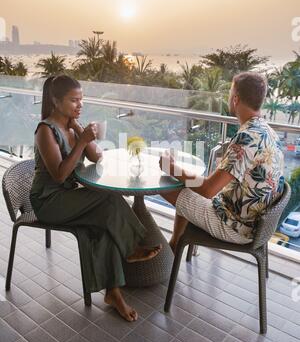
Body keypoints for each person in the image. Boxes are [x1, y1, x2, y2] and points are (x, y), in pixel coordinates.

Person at [30, 75, 161, 322]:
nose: (80, 105)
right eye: (74, 101)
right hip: (48, 201)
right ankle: (131, 246)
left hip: (70, 198)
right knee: (108, 201)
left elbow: (97, 157)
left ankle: (113, 293)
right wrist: (80, 142)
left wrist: (82, 133)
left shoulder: (72, 126)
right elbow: (59, 175)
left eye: (81, 100)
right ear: (56, 101)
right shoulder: (45, 130)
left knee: (103, 224)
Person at [159, 72, 285, 252]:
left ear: (235, 99)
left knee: (165, 182)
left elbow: (208, 190)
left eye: (229, 93)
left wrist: (170, 168)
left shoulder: (246, 137)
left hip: (236, 227)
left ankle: (164, 245)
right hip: (255, 223)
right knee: (186, 181)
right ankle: (175, 244)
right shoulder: (266, 130)